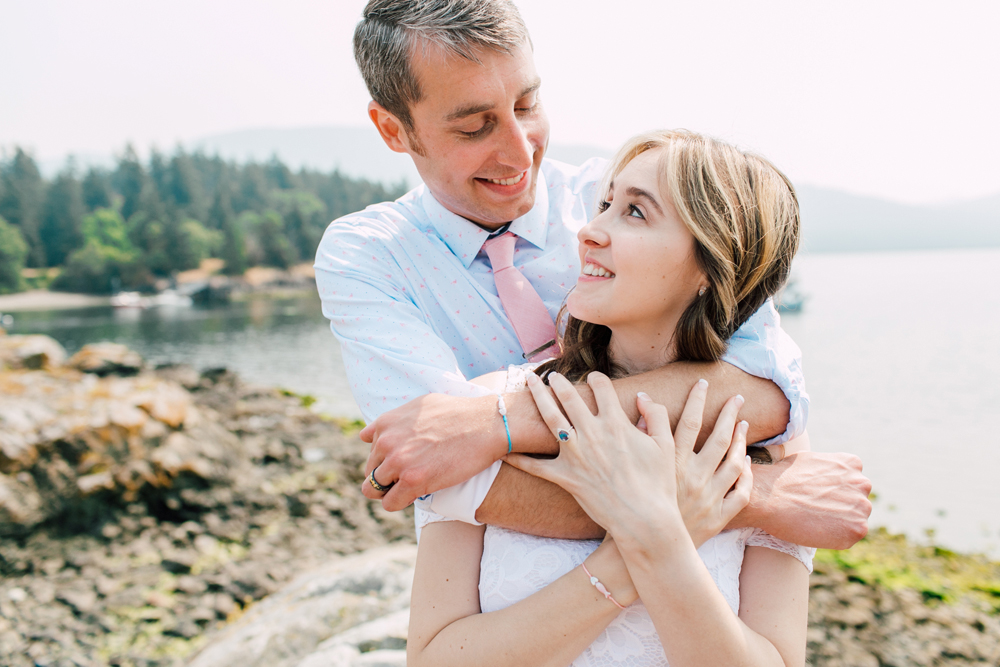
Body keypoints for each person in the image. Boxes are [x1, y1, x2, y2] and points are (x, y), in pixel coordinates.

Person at [314, 0, 871, 547]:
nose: (519, 150)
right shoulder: (368, 257)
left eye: (528, 105)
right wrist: (751, 499)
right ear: (392, 129)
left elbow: (767, 389)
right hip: (500, 601)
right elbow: (452, 478)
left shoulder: (630, 196)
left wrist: (501, 423)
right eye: (474, 128)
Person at [407, 129, 811, 667]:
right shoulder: (491, 408)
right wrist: (637, 552)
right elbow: (433, 659)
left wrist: (661, 544)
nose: (590, 231)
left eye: (636, 213)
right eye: (604, 204)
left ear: (710, 270)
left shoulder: (762, 438)